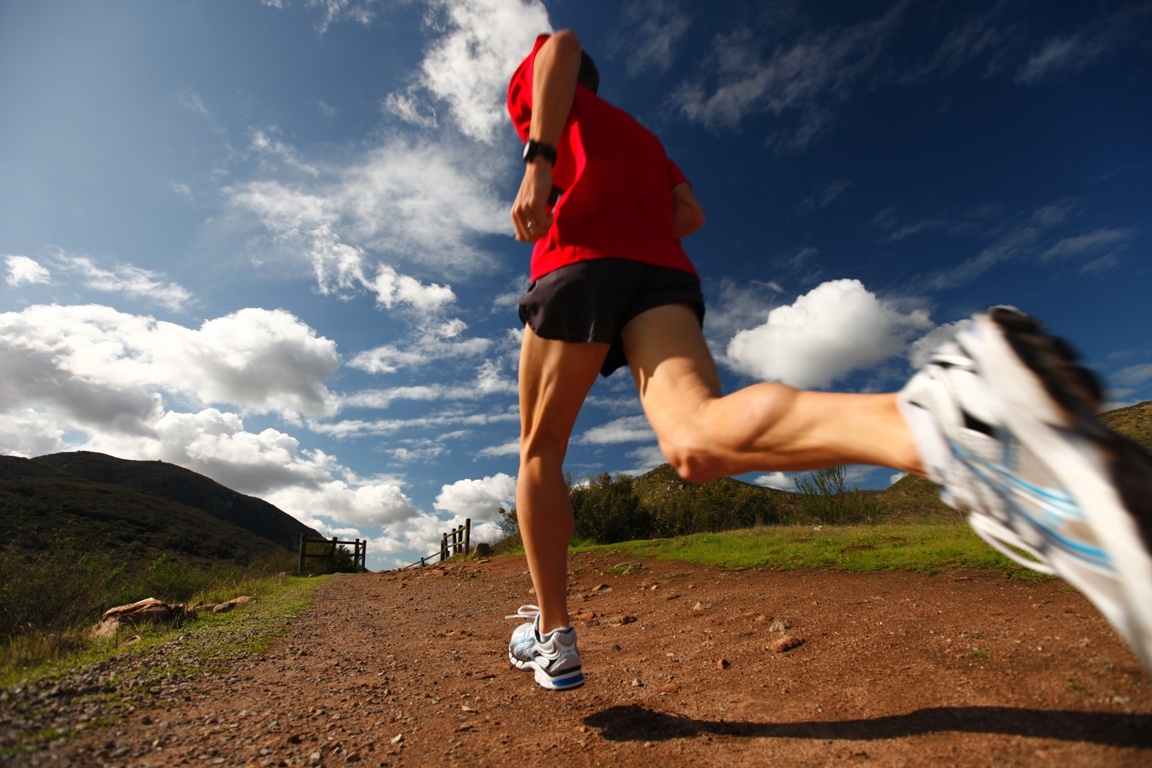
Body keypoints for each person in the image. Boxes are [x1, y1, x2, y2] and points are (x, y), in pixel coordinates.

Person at [504, 29, 1152, 691]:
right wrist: (634, 220)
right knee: (696, 438)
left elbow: (559, 44)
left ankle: (553, 636)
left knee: (541, 448)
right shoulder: (643, 136)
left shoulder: (546, 88)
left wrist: (541, 160)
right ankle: (948, 421)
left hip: (578, 252)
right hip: (661, 274)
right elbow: (688, 213)